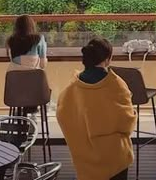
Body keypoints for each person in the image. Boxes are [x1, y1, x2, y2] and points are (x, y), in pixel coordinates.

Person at [57, 38, 136, 180]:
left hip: (84, 160)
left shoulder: (71, 88)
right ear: (108, 59)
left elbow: (63, 115)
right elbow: (127, 124)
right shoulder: (116, 84)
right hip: (114, 159)